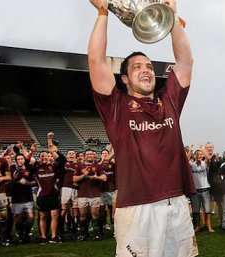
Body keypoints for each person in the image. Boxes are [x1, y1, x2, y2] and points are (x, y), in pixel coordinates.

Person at [88, 0, 197, 255]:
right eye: (137, 67)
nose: (145, 70)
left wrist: (171, 17)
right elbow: (96, 61)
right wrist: (103, 11)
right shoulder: (117, 107)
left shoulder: (168, 99)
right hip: (136, 209)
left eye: (148, 66)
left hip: (176, 202)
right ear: (124, 79)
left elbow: (185, 62)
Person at [187, 145, 214, 233]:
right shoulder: (192, 164)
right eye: (197, 154)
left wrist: (201, 149)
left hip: (205, 190)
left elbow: (209, 158)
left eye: (200, 154)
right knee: (195, 210)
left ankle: (209, 227)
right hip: (195, 191)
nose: (199, 156)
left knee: (207, 210)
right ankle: (197, 227)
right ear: (194, 156)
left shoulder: (204, 163)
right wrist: (190, 151)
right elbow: (185, 161)